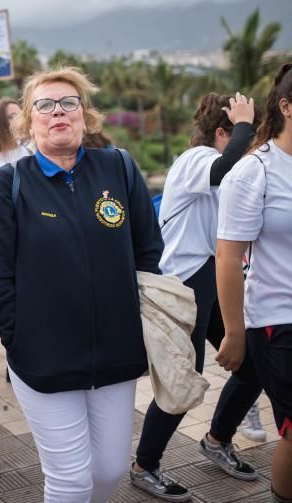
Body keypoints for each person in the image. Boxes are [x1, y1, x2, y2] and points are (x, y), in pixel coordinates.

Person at [0, 67, 163, 502]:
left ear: (85, 114)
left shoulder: (118, 166)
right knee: (70, 478)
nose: (57, 111)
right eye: (45, 104)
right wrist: (18, 337)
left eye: (68, 102)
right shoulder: (9, 183)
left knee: (112, 468)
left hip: (117, 351)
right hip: (44, 359)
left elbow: (148, 249)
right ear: (28, 119)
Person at [130, 92, 263, 501]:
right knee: (181, 382)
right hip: (182, 286)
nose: (247, 144)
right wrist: (245, 123)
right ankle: (145, 465)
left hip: (211, 279)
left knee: (253, 361)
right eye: (240, 134)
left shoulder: (222, 167)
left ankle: (217, 439)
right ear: (221, 133)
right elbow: (224, 167)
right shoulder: (196, 160)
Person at [217, 62, 292, 503]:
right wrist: (234, 333)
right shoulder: (255, 172)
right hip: (278, 320)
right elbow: (228, 257)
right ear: (286, 106)